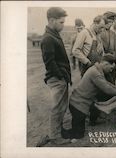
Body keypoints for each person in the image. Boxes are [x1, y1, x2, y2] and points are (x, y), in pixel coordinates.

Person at [65, 54, 116, 139]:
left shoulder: (96, 70)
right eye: (111, 68)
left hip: (78, 104)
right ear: (105, 64)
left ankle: (68, 131)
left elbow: (107, 84)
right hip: (78, 106)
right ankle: (62, 134)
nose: (111, 71)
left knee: (78, 130)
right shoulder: (95, 73)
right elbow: (107, 88)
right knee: (78, 134)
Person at [40, 7, 71, 145]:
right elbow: (49, 62)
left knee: (62, 106)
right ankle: (54, 136)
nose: (63, 25)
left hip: (60, 78)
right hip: (57, 79)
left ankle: (59, 130)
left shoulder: (53, 35)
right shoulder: (48, 38)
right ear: (52, 20)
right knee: (57, 107)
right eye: (61, 22)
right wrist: (61, 76)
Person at [100, 11, 116, 84]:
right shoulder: (99, 33)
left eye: (112, 22)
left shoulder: (112, 34)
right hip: (102, 63)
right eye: (109, 22)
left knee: (112, 82)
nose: (110, 24)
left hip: (112, 64)